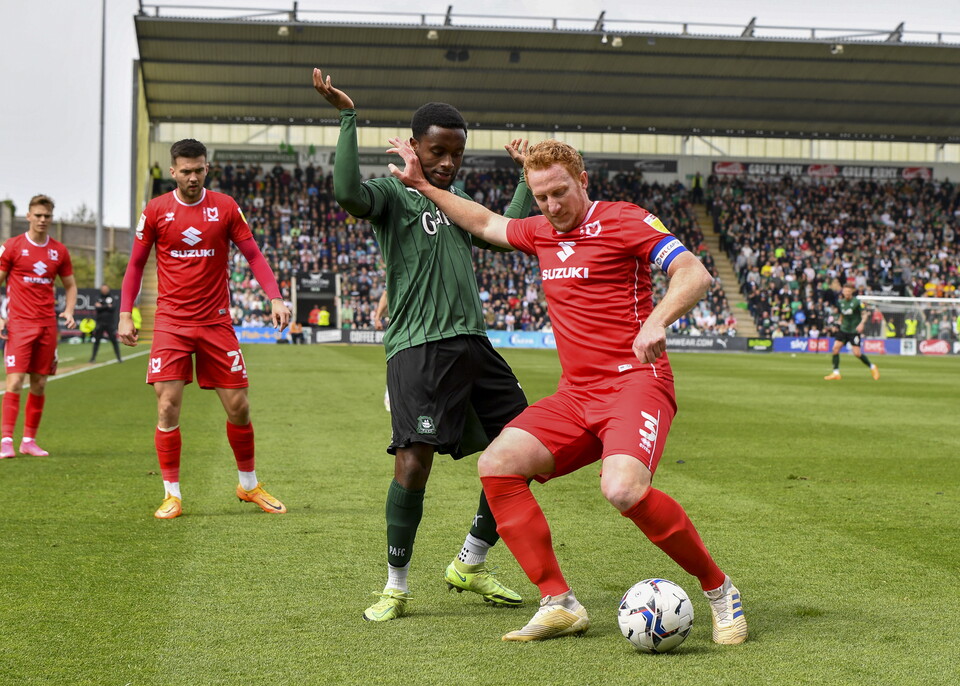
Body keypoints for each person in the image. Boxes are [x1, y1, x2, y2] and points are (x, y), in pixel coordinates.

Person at [389, 137, 749, 645]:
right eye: (541, 198)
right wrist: (424, 186)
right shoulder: (539, 231)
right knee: (496, 465)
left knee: (622, 489)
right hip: (577, 395)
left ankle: (719, 591)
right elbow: (485, 222)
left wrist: (657, 319)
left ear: (583, 181)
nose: (552, 207)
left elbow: (694, 272)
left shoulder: (626, 220)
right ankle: (558, 602)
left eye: (560, 193)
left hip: (636, 384)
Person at [313, 67, 533, 622]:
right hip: (418, 346)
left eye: (456, 154)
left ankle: (471, 561)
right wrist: (346, 118)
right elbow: (345, 193)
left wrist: (527, 178)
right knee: (413, 464)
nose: (448, 162)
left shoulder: (454, 197)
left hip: (473, 344)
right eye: (438, 151)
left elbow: (506, 235)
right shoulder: (392, 193)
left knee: (528, 446)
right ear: (414, 146)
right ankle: (396, 586)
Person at [119, 138, 291, 519]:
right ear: (173, 171)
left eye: (199, 170)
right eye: (186, 171)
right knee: (167, 406)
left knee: (239, 407)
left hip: (216, 322)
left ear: (206, 168)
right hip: (171, 323)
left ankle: (248, 486)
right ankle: (172, 494)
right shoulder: (156, 211)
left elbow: (253, 254)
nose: (193, 177)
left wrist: (275, 297)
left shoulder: (226, 207)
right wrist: (124, 312)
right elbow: (134, 266)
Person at [0, 194, 77, 458]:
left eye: (47, 216)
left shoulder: (59, 251)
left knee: (40, 383)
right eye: (39, 215)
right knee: (14, 381)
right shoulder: (12, 247)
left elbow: (70, 285)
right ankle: (7, 440)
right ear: (28, 216)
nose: (43, 220)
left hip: (47, 325)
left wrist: (68, 310)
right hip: (19, 324)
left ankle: (29, 441)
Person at [824, 284, 879, 381]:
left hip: (854, 331)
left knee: (857, 353)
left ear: (852, 291)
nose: (847, 293)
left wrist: (862, 324)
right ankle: (836, 373)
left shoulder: (857, 302)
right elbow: (842, 315)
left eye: (848, 291)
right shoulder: (841, 302)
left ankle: (872, 367)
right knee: (835, 349)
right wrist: (838, 324)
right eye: (845, 291)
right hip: (843, 330)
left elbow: (864, 314)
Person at [89, 284, 122, 363]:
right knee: (96, 341)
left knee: (114, 341)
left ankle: (119, 358)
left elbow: (113, 308)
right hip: (100, 323)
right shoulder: (98, 297)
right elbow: (97, 308)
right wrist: (107, 306)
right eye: (103, 289)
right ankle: (93, 358)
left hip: (110, 323)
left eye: (105, 289)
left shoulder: (112, 297)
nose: (104, 290)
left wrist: (102, 306)